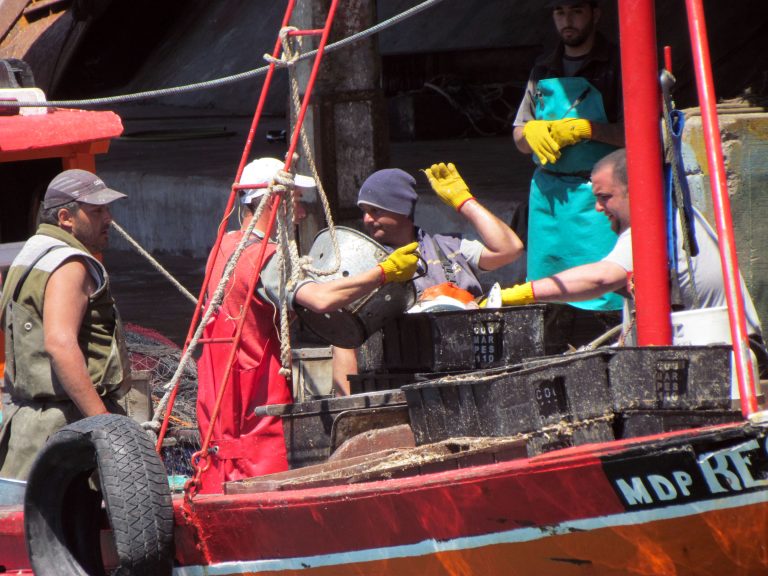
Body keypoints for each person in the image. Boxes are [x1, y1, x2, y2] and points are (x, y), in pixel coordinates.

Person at [195, 157, 420, 493]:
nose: (300, 214)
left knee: (220, 471)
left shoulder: (224, 246)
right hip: (252, 401)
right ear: (274, 202)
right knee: (255, 484)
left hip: (218, 388)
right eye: (296, 202)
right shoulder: (267, 256)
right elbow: (321, 300)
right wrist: (382, 273)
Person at [490, 148, 768, 374]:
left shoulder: (658, 226)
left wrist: (522, 293)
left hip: (729, 363)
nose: (598, 208)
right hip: (708, 357)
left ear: (636, 190)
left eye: (604, 197)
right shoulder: (669, 217)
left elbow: (599, 278)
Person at [332, 163, 524, 392]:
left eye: (376, 211)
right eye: (364, 211)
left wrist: (465, 203)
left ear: (402, 210)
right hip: (400, 381)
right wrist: (348, 407)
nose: (366, 219)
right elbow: (343, 338)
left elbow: (510, 249)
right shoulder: (364, 264)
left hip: (469, 373)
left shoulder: (450, 246)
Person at [0, 169, 130, 480]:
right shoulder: (69, 263)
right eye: (96, 211)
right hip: (68, 431)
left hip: (26, 430)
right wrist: (105, 426)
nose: (108, 218)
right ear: (65, 217)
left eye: (107, 209)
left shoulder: (28, 256)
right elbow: (60, 344)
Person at [512, 0, 625, 346]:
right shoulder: (543, 68)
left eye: (575, 11)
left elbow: (641, 131)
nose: (567, 21)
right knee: (550, 300)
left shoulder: (618, 64)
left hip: (596, 198)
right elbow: (518, 135)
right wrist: (529, 135)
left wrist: (589, 130)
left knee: (603, 294)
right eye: (559, 13)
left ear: (595, 14)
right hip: (548, 200)